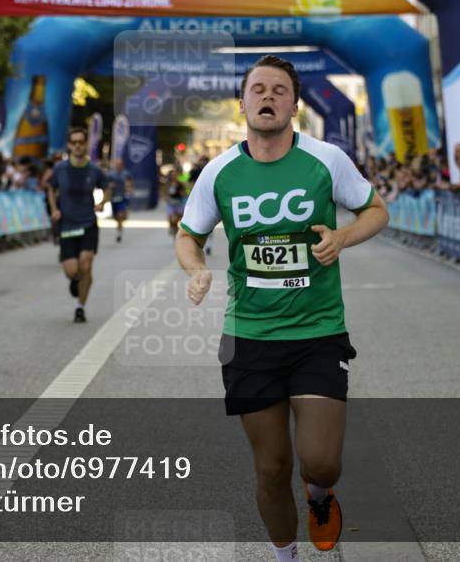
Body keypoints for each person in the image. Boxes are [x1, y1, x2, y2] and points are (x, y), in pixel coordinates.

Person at [175, 55, 388, 558]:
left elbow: (376, 210)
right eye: (258, 89)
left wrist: (342, 237)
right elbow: (188, 235)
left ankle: (319, 496)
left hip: (318, 331)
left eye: (279, 90)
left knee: (321, 463)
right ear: (242, 103)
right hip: (250, 336)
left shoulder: (326, 159)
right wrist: (196, 268)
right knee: (271, 468)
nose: (267, 96)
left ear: (294, 106)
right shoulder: (219, 172)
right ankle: (285, 555)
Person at [47, 127, 111, 323]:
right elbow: (50, 188)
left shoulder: (94, 170)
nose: (77, 146)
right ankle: (76, 279)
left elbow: (107, 188)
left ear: (85, 144)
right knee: (72, 271)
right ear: (69, 145)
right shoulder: (60, 169)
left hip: (88, 222)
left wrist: (102, 202)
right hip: (67, 224)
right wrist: (54, 209)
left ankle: (80, 307)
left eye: (81, 142)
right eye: (73, 142)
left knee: (86, 264)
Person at [106, 158, 133, 243]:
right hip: (114, 197)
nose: (118, 166)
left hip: (123, 197)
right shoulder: (110, 174)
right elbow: (105, 183)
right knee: (116, 217)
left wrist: (129, 188)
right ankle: (119, 225)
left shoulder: (126, 173)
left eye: (120, 164)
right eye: (117, 164)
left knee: (120, 215)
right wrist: (110, 185)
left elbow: (130, 182)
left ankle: (119, 233)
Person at [165, 161, 189, 237]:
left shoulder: (180, 183)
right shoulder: (168, 183)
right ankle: (172, 227)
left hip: (179, 202)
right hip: (171, 203)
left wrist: (182, 193)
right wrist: (166, 198)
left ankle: (177, 229)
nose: (173, 176)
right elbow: (165, 192)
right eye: (172, 175)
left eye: (175, 175)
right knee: (171, 218)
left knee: (178, 218)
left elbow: (184, 192)